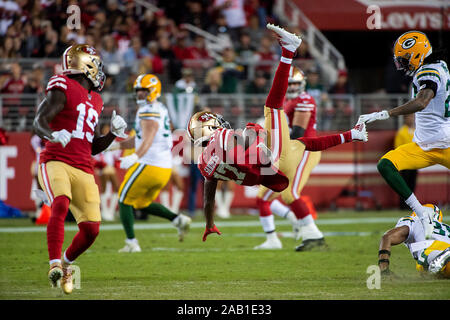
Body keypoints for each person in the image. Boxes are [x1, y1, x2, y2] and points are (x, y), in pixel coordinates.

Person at [186, 25, 368, 241]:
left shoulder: (204, 164)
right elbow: (245, 139)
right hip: (271, 159)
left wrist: (209, 224)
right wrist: (257, 135)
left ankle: (352, 135)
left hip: (270, 174)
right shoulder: (222, 136)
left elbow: (208, 200)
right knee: (272, 108)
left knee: (303, 144)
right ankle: (289, 51)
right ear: (211, 128)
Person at [33, 44, 128, 294]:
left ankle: (65, 263)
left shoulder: (96, 99)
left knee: (91, 230)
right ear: (86, 65)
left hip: (84, 166)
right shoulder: (61, 85)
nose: (100, 70)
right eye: (96, 64)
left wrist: (112, 135)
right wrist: (52, 134)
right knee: (61, 203)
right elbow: (39, 122)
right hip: (56, 160)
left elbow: (94, 146)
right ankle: (53, 264)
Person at [358, 31, 450, 240]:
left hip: (442, 143)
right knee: (385, 164)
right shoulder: (439, 65)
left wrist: (385, 113)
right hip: (424, 145)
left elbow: (422, 101)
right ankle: (421, 213)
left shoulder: (429, 70)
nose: (402, 64)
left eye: (405, 59)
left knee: (386, 165)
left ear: (417, 54)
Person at [109, 74, 192, 253]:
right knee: (141, 203)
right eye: (137, 90)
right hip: (163, 168)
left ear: (153, 91)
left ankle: (131, 243)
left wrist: (136, 157)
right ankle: (177, 220)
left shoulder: (148, 109)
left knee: (123, 199)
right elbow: (140, 139)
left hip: (149, 164)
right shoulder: (159, 107)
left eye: (143, 91)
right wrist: (113, 146)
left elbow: (149, 136)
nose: (139, 94)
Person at [255, 66, 324, 251]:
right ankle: (273, 240)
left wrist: (269, 135)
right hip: (291, 150)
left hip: (305, 149)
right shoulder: (287, 101)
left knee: (290, 193)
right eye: (290, 83)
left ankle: (314, 234)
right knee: (264, 195)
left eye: (296, 84)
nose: (292, 87)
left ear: (303, 84)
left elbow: (299, 132)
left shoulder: (305, 99)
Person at [378, 204, 450, 278]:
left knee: (423, 267)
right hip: (445, 246)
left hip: (432, 250)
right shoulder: (446, 227)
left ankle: (442, 256)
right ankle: (445, 255)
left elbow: (387, 237)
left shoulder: (414, 220)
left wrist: (384, 268)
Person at [393, 114, 417, 210]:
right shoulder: (402, 132)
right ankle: (403, 205)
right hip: (405, 163)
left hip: (414, 162)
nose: (411, 119)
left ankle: (411, 205)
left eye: (412, 117)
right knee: (404, 184)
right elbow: (397, 148)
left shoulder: (416, 131)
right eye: (409, 117)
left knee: (412, 184)